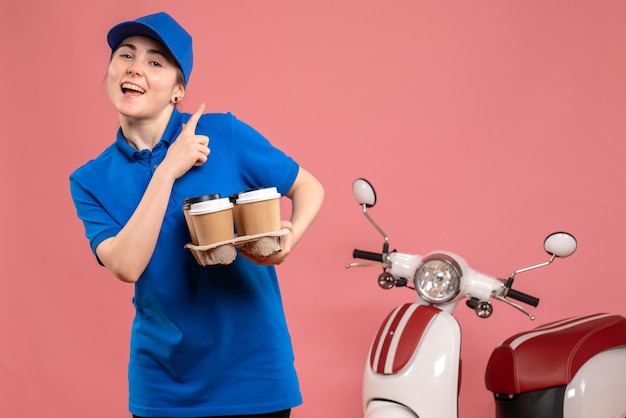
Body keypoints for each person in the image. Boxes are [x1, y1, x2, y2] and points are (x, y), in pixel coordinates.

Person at [69, 11, 324, 418]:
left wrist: (291, 238)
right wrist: (169, 169)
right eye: (125, 55)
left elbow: (308, 187)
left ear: (178, 88)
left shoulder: (224, 134)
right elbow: (126, 266)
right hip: (164, 385)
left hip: (254, 374)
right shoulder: (90, 179)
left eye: (155, 62)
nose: (135, 68)